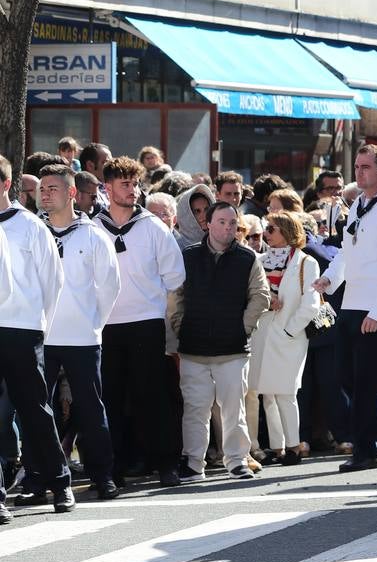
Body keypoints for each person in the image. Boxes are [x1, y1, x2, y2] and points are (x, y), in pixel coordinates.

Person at [314, 144, 377, 472]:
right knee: (345, 377)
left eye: (366, 167)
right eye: (357, 167)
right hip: (352, 303)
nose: (359, 173)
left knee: (367, 382)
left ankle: (366, 450)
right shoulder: (358, 204)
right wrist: (329, 279)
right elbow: (347, 250)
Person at [96, 156, 186, 487]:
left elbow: (175, 276)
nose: (132, 191)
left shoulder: (153, 227)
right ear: (107, 188)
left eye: (135, 184)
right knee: (112, 400)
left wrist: (150, 300)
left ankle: (166, 464)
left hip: (147, 323)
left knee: (153, 396)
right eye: (125, 184)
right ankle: (113, 469)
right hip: (105, 326)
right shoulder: (93, 227)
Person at [36, 166, 121, 501]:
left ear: (72, 193)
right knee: (39, 410)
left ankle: (103, 475)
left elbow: (110, 287)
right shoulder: (35, 231)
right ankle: (42, 478)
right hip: (40, 337)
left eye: (53, 188)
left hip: (83, 338)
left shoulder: (94, 235)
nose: (45, 193)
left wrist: (93, 323)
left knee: (90, 409)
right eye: (42, 188)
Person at [171, 202, 269, 482]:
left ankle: (237, 460)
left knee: (233, 408)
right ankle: (193, 462)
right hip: (194, 348)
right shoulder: (188, 256)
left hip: (233, 349)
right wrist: (181, 326)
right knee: (195, 409)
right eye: (222, 222)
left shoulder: (248, 258)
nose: (228, 228)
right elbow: (175, 297)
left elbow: (260, 297)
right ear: (208, 224)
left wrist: (242, 329)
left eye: (232, 223)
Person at [0, 156, 73, 520]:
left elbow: (52, 281)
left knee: (35, 410)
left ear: (3, 184)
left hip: (23, 329)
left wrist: (38, 325)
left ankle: (60, 482)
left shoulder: (30, 227)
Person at [250, 211, 320, 466]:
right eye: (266, 228)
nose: (266, 233)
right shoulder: (258, 260)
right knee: (266, 393)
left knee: (286, 392)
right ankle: (277, 447)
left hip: (289, 335)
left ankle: (293, 446)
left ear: (287, 232)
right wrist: (266, 302)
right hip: (262, 333)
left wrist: (291, 330)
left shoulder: (305, 263)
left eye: (271, 229)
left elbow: (311, 304)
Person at [174, 183, 215, 251]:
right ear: (186, 215)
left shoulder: (219, 241)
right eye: (197, 211)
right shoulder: (177, 246)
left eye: (207, 209)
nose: (204, 215)